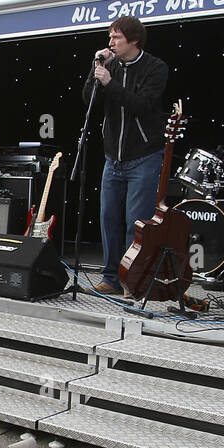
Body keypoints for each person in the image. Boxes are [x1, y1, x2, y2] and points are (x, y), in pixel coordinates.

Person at [81, 16, 169, 295]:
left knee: (136, 222)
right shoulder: (109, 66)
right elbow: (88, 100)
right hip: (112, 157)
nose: (110, 43)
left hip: (143, 156)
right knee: (108, 217)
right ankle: (110, 277)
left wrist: (110, 83)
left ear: (133, 40)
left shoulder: (155, 68)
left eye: (116, 38)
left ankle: (133, 280)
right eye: (110, 37)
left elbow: (142, 105)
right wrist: (95, 70)